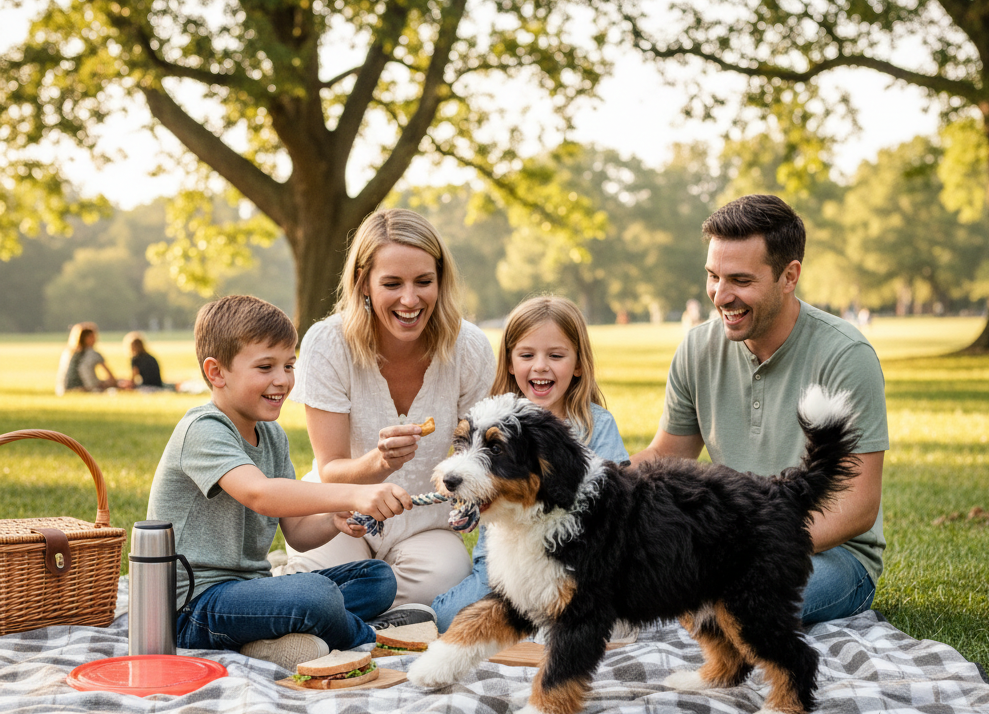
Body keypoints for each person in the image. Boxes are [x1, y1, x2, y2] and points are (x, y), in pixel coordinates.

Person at [633, 193, 888, 624]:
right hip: (732, 543)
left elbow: (859, 505)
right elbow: (666, 455)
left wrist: (747, 548)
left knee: (735, 606)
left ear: (789, 277)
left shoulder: (846, 354)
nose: (720, 295)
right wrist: (594, 484)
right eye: (713, 276)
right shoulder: (697, 348)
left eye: (740, 280)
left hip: (832, 555)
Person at [147, 294, 419, 671]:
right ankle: (374, 636)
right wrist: (355, 493)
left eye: (289, 365)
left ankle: (272, 638)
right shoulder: (203, 429)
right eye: (265, 367)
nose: (282, 380)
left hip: (249, 593)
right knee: (316, 594)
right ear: (216, 373)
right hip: (193, 607)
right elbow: (260, 494)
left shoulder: (272, 437)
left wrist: (333, 519)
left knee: (376, 577)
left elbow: (297, 534)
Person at [280, 208, 496, 608]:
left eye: (424, 282)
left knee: (443, 583)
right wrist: (379, 463)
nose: (410, 299)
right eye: (392, 283)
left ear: (440, 280)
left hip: (425, 524)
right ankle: (353, 604)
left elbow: (478, 456)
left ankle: (351, 611)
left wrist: (471, 499)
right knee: (323, 584)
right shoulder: (327, 343)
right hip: (341, 513)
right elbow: (331, 469)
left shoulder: (469, 347)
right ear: (364, 282)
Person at [432, 296, 630, 631]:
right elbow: (470, 481)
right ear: (510, 363)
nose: (540, 366)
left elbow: (618, 504)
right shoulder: (492, 422)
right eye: (526, 355)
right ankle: (427, 616)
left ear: (578, 364)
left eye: (556, 355)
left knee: (594, 616)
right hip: (504, 561)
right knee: (453, 616)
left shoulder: (596, 424)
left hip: (574, 560)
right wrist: (469, 509)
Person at [55, 322, 128, 395]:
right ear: (86, 338)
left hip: (63, 389)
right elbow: (110, 377)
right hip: (84, 388)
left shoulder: (67, 353)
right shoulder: (92, 354)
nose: (96, 339)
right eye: (93, 337)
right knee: (120, 382)